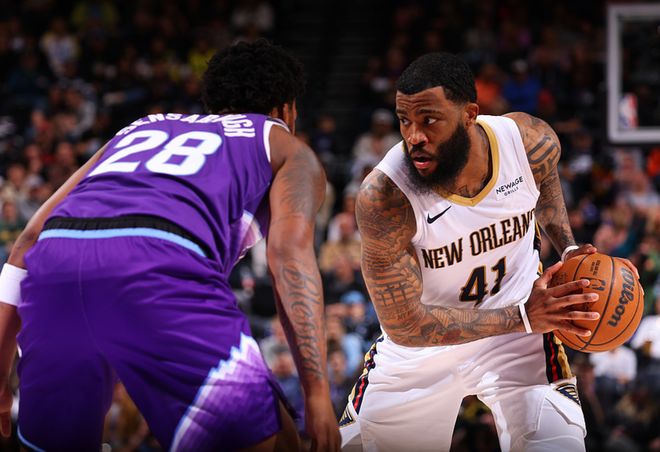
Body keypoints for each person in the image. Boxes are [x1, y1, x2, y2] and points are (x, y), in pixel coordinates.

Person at [0, 40, 340, 451]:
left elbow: (28, 240)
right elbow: (287, 258)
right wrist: (316, 393)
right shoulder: (286, 145)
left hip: (56, 262)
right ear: (285, 110)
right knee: (275, 442)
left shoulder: (142, 127)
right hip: (158, 261)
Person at [338, 52, 640, 452]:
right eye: (404, 120)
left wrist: (568, 247)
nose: (414, 136)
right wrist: (522, 316)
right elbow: (405, 326)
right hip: (424, 349)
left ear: (469, 115)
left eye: (429, 120)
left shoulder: (528, 141)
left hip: (519, 337)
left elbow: (545, 187)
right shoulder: (386, 196)